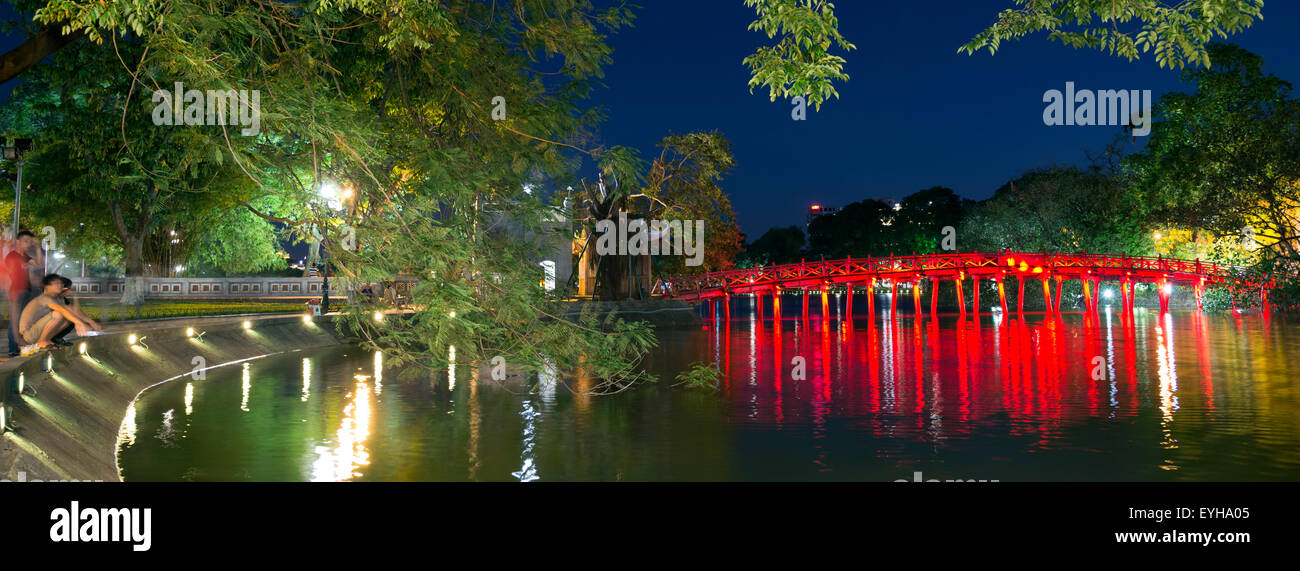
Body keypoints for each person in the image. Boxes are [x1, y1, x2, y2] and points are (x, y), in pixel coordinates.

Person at [18, 274, 101, 351]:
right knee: (59, 313)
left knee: (68, 315)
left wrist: (91, 322)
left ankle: (47, 339)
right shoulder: (45, 298)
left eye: (61, 283)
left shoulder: (57, 299)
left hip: (35, 333)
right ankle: (41, 341)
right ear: (47, 286)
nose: (60, 285)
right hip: (29, 335)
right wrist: (79, 323)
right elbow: (61, 310)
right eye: (56, 283)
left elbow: (73, 309)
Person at [6, 230, 45, 356]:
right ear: (18, 242)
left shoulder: (24, 256)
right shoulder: (12, 256)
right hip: (16, 290)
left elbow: (39, 264)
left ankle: (18, 345)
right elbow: (10, 275)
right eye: (25, 241)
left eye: (30, 241)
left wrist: (38, 248)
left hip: (26, 290)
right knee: (15, 320)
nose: (28, 244)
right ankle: (13, 347)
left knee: (21, 319)